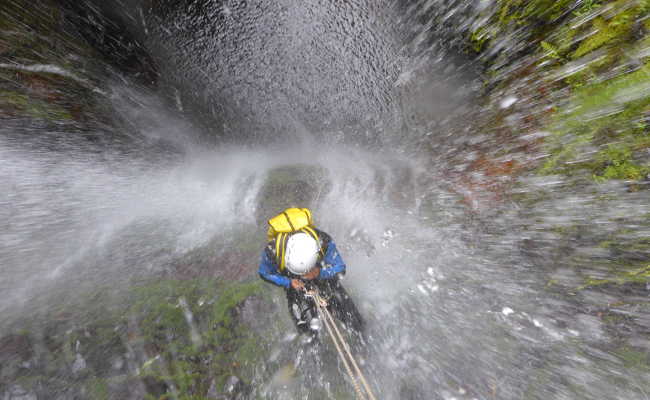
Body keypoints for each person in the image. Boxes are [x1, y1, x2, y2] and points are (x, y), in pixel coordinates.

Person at [258, 208, 364, 335]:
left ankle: (361, 334)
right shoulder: (273, 251)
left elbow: (340, 268)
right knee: (307, 331)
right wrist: (289, 282)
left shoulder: (322, 241)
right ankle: (311, 340)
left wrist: (320, 273)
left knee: (354, 320)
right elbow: (264, 273)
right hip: (295, 287)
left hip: (325, 280)